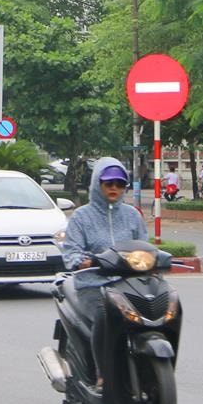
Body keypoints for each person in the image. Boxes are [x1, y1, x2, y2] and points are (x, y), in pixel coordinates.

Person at [61, 157, 150, 389]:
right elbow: (71, 251)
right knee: (106, 314)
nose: (114, 188)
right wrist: (81, 261)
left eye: (120, 184)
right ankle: (103, 372)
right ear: (97, 184)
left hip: (127, 284)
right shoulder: (82, 217)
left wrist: (156, 258)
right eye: (108, 183)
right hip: (93, 285)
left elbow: (144, 246)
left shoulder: (132, 215)